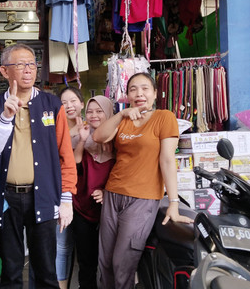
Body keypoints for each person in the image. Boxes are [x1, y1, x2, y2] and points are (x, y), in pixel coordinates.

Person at [0, 43, 77, 288]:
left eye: (31, 64)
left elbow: (65, 153)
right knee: (11, 270)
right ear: (4, 71)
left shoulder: (52, 105)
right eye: (19, 65)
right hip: (6, 197)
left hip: (43, 196)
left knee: (46, 271)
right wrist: (6, 117)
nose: (28, 70)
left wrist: (66, 199)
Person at [92, 73, 193, 289]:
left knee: (123, 262)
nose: (139, 94)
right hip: (113, 193)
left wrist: (174, 203)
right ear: (127, 94)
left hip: (143, 198)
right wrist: (122, 115)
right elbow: (98, 137)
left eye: (145, 88)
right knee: (105, 262)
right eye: (133, 89)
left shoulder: (164, 117)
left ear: (155, 93)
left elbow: (167, 160)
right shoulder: (124, 118)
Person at [71, 95, 116, 289]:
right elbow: (75, 168)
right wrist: (82, 140)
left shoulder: (120, 140)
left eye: (99, 111)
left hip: (111, 208)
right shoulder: (82, 137)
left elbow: (124, 173)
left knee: (110, 258)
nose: (94, 115)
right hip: (82, 207)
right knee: (86, 260)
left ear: (109, 114)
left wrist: (107, 192)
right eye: (90, 111)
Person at [54, 87, 85, 288]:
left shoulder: (94, 124)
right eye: (64, 103)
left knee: (85, 247)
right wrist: (75, 133)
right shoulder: (54, 130)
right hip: (63, 192)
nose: (69, 106)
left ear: (82, 103)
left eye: (73, 101)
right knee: (62, 246)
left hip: (87, 195)